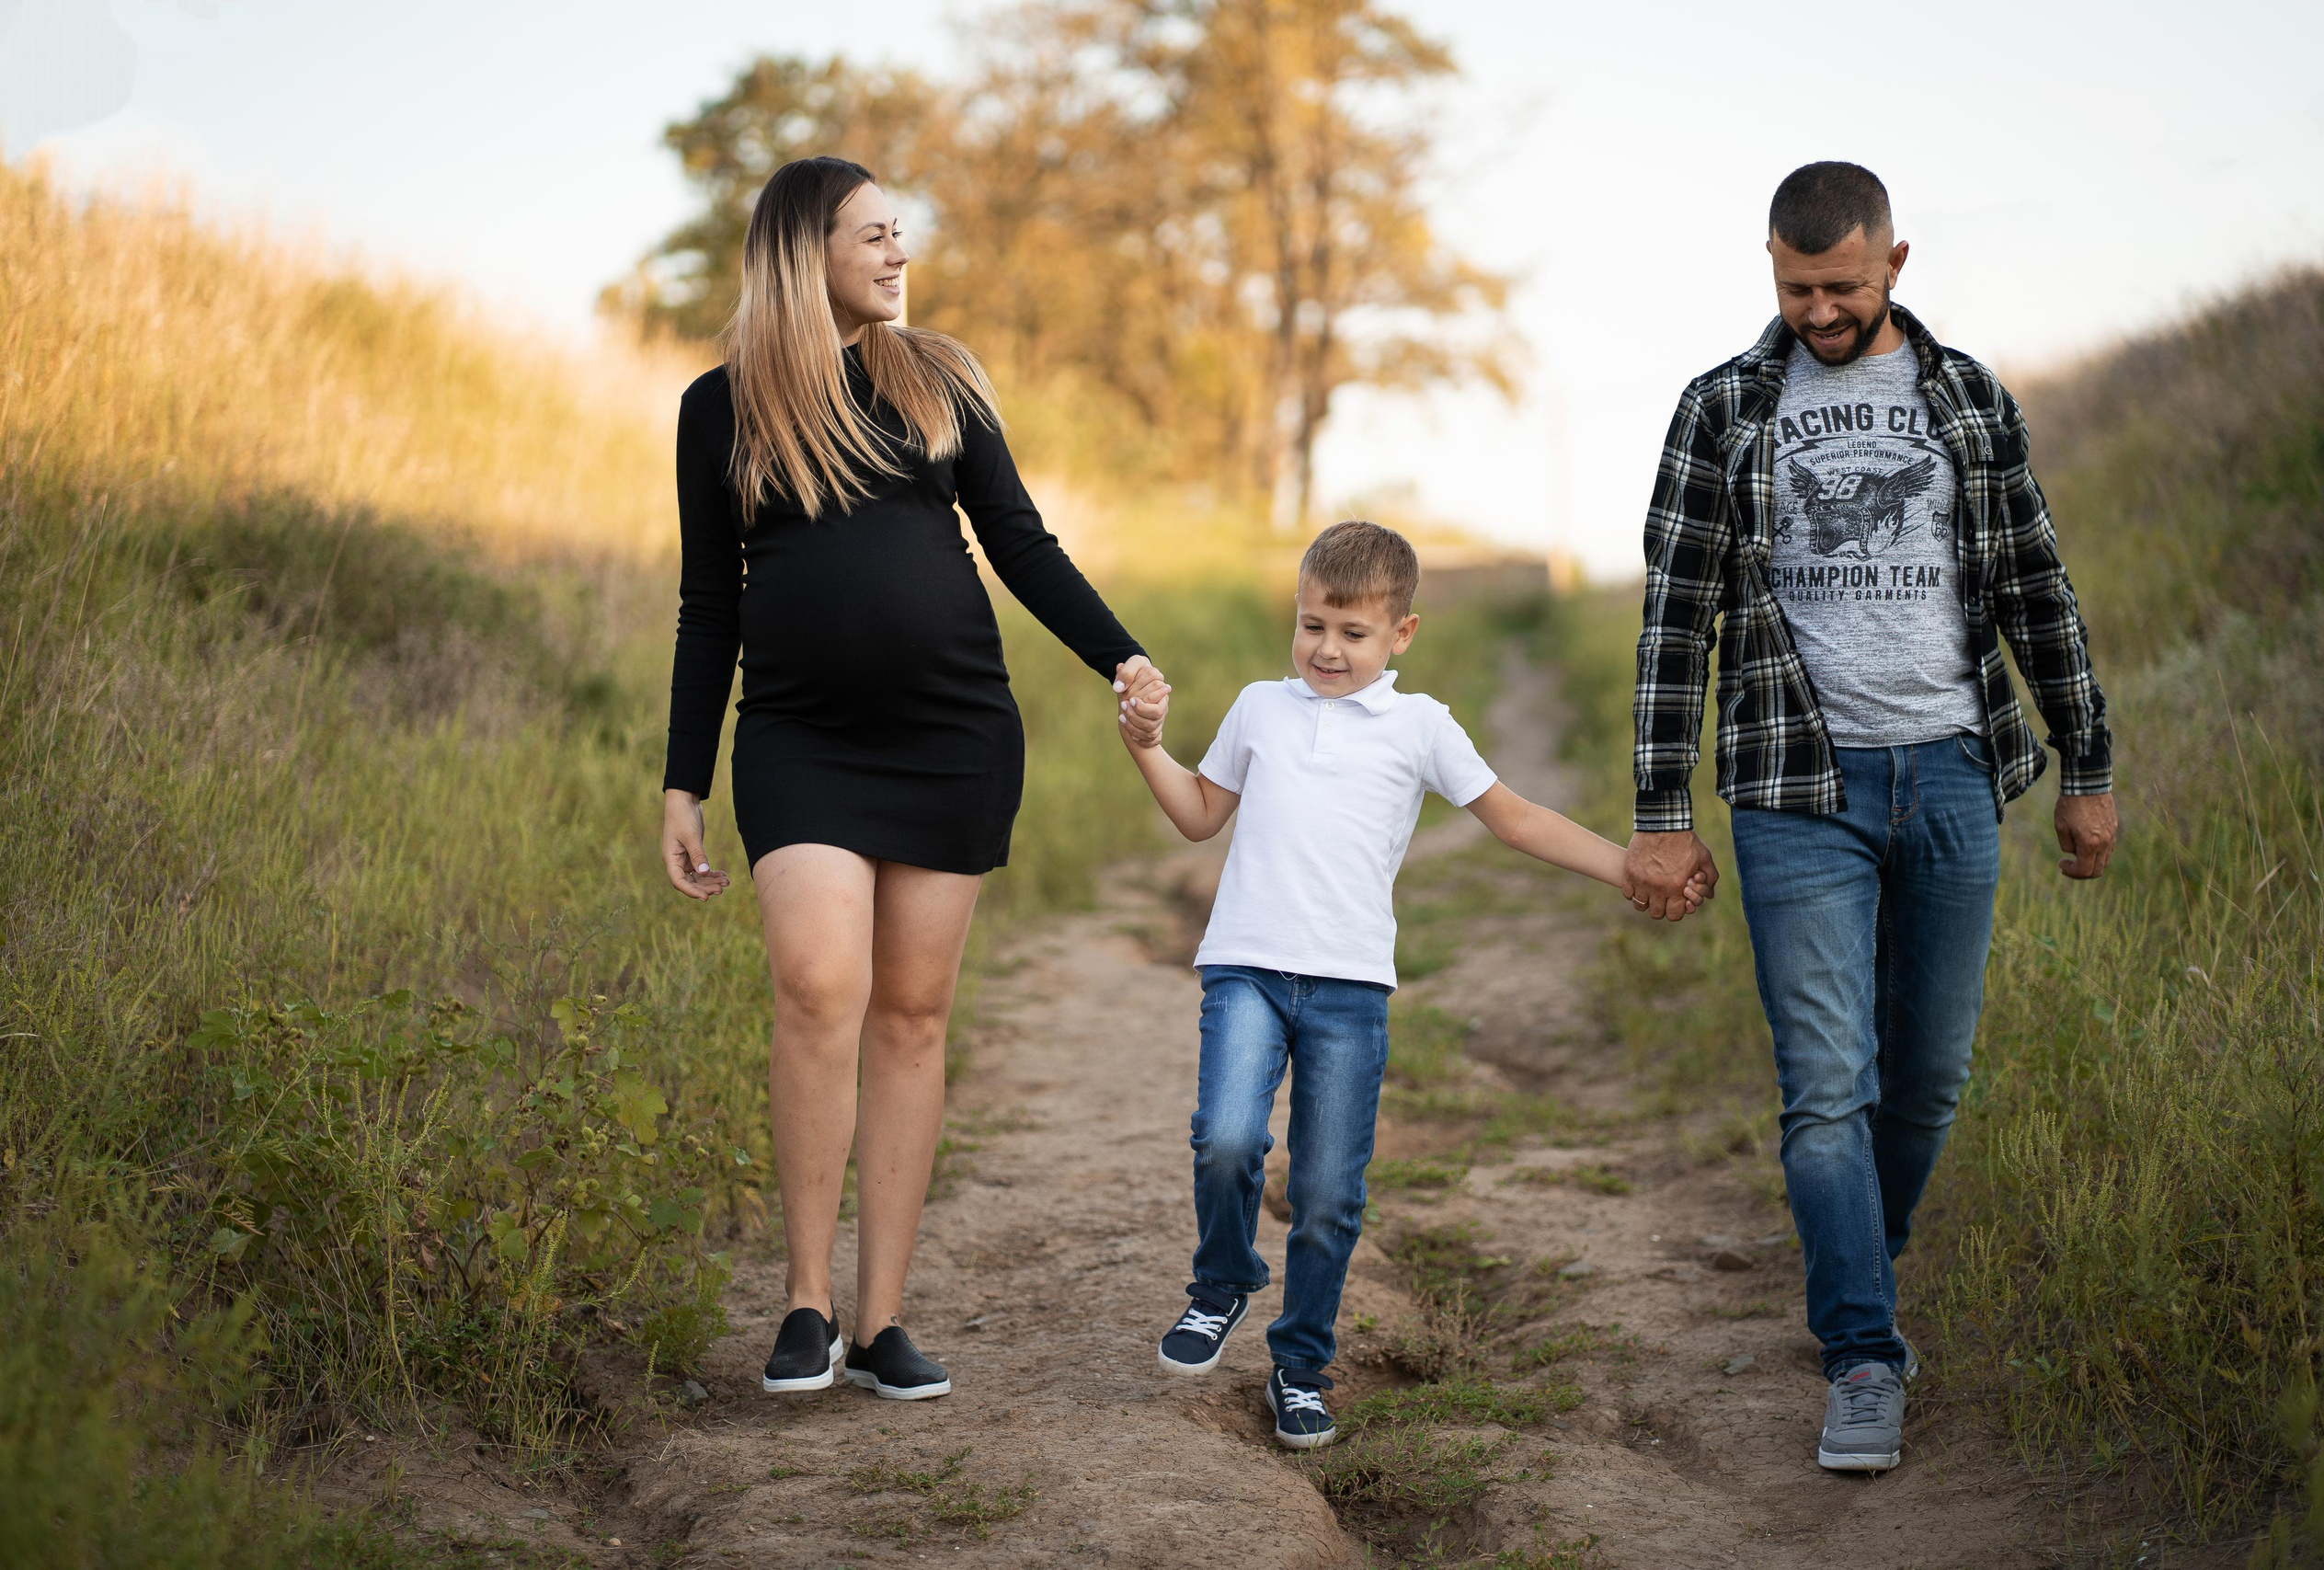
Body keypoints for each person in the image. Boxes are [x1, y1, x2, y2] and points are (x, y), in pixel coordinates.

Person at [1623, 161, 2119, 1472]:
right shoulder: (1723, 407)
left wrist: (2087, 763)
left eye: (1842, 286)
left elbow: (2034, 582)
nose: (1820, 310)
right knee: (1827, 1087)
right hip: (1799, 789)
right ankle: (1860, 1350)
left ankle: (1862, 1267)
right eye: (1796, 288)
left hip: (1954, 769)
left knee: (1931, 1077)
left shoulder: (1963, 396)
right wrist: (1660, 807)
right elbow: (1677, 619)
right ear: (1770, 266)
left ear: (1896, 261)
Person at [659, 156, 1155, 1402]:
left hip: (948, 731)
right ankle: (805, 1300)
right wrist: (683, 777)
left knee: (914, 1014)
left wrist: (1123, 653)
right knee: (820, 982)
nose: (898, 256)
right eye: (874, 236)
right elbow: (709, 603)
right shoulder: (719, 408)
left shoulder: (935, 381)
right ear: (802, 251)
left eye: (901, 237)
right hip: (799, 736)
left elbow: (1021, 541)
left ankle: (881, 1318)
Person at [1113, 521, 1692, 1449]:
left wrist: (1626, 866)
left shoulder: (1421, 728)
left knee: (1331, 1192)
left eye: (1352, 633)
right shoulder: (1259, 708)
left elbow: (1514, 820)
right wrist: (1145, 744)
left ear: (1401, 634)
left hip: (1347, 991)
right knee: (1224, 1139)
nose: (1327, 650)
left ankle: (1301, 1369)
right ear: (1294, 618)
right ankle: (1221, 1285)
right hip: (1247, 970)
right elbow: (1196, 816)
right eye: (1311, 627)